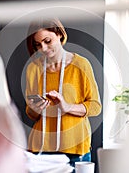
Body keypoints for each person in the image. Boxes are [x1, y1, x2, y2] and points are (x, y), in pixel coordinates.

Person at [24, 18, 102, 167]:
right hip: (41, 149)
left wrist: (67, 107)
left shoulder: (81, 65)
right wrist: (35, 109)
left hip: (75, 148)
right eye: (38, 45)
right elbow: (30, 112)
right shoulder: (33, 69)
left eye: (48, 41)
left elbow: (95, 106)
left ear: (59, 34)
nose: (44, 49)